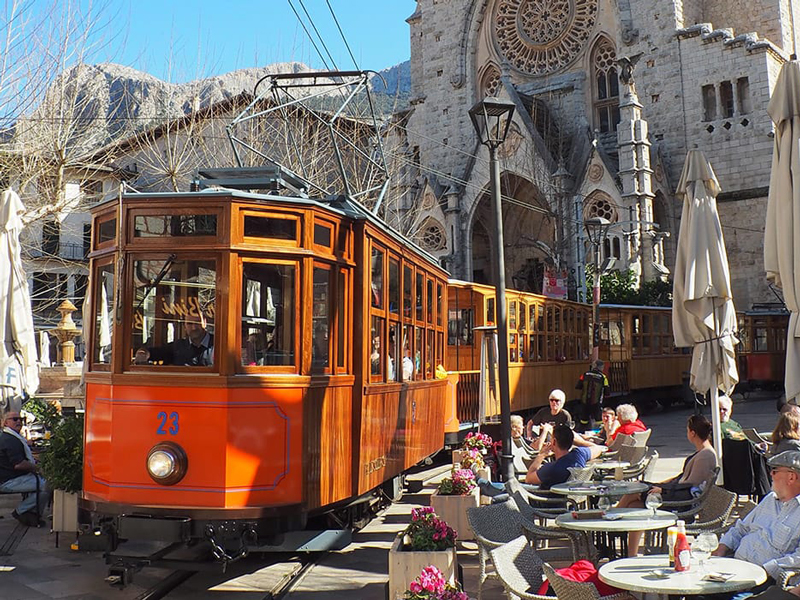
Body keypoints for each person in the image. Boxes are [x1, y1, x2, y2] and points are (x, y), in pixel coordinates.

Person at [703, 450, 800, 600]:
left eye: (774, 471)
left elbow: (798, 558)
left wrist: (762, 570)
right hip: (732, 568)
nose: (770, 474)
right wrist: (721, 548)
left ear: (791, 477)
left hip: (763, 582)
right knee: (691, 590)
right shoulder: (770, 499)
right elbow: (741, 528)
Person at [617, 414, 718, 556]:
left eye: (687, 430)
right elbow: (682, 478)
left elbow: (689, 485)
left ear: (693, 433)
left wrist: (662, 489)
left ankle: (612, 521)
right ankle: (631, 555)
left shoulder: (706, 455)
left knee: (635, 490)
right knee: (635, 506)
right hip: (675, 494)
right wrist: (662, 484)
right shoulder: (703, 452)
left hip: (681, 501)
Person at [0, 411, 48, 527]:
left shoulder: (13, 437)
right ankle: (22, 511)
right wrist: (38, 468)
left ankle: (31, 513)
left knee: (42, 481)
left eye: (21, 419)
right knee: (46, 485)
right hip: (8, 481)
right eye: (14, 419)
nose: (19, 422)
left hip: (17, 476)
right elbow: (19, 464)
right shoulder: (9, 440)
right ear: (5, 423)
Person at [524, 424, 605, 489]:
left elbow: (528, 479)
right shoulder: (579, 454)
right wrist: (580, 442)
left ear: (554, 441)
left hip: (550, 502)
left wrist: (541, 455)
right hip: (574, 498)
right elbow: (598, 448)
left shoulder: (551, 468)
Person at [135, 312, 214, 366]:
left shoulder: (217, 345)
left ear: (205, 323)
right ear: (184, 327)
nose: (194, 328)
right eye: (189, 324)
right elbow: (158, 352)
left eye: (197, 323)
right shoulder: (178, 346)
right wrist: (144, 353)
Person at [575, 359, 610, 432]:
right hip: (596, 403)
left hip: (584, 402)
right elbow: (607, 392)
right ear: (601, 367)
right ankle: (600, 434)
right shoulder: (603, 377)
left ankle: (582, 433)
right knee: (599, 421)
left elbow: (578, 386)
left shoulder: (585, 374)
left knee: (583, 420)